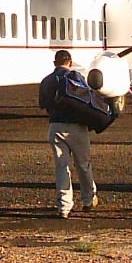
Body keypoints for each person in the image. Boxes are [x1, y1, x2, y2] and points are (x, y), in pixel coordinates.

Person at [38, 50, 97, 218]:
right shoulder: (76, 77)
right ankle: (88, 199)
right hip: (77, 126)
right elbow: (88, 98)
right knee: (83, 164)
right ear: (70, 62)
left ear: (54, 62)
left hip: (56, 125)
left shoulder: (46, 81)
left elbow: (43, 104)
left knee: (61, 166)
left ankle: (64, 207)